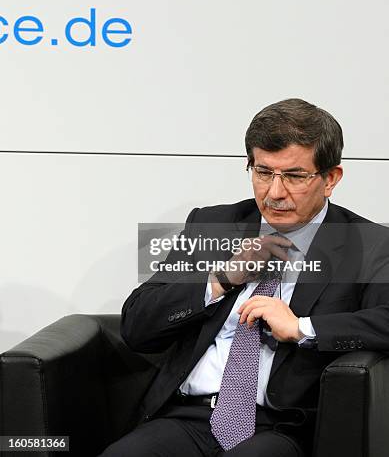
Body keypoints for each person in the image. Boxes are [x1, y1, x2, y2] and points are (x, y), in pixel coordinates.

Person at [100, 98, 389, 457]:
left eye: (295, 176)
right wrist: (219, 279)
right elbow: (137, 326)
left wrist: (302, 327)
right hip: (187, 418)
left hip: (283, 427)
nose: (275, 192)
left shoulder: (370, 243)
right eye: (263, 172)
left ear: (330, 179)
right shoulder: (212, 224)